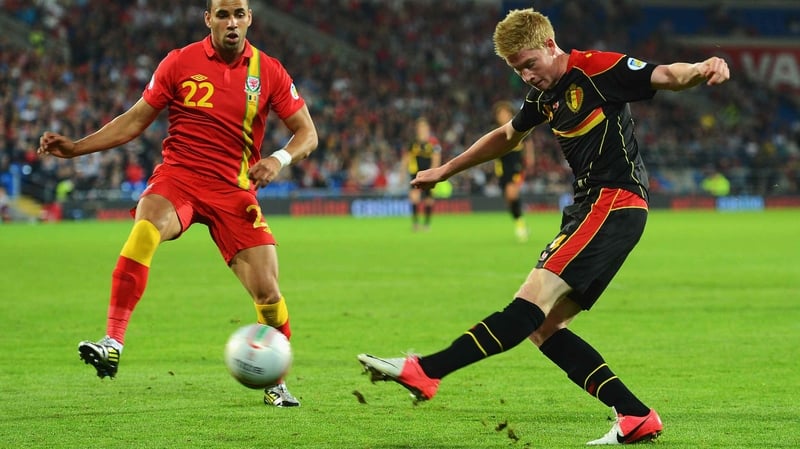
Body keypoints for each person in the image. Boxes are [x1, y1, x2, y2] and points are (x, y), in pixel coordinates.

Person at [358, 8, 729, 444]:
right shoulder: (543, 97)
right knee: (544, 326)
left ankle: (427, 371)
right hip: (592, 207)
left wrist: (702, 69)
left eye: (529, 64)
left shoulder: (597, 70)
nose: (526, 77)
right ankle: (634, 416)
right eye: (517, 70)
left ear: (550, 45)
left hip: (613, 201)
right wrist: (447, 170)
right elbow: (507, 135)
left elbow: (665, 74)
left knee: (530, 302)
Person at [38, 0, 318, 407]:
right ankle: (113, 341)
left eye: (239, 14)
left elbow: (307, 134)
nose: (232, 23)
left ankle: (277, 381)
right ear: (208, 20)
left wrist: (278, 159)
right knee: (145, 229)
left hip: (234, 190)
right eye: (222, 15)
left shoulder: (269, 71)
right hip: (179, 178)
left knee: (269, 295)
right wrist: (77, 148)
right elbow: (135, 119)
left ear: (249, 19)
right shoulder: (179, 62)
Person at [492, 100, 535, 242]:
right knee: (509, 200)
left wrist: (529, 157)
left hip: (516, 165)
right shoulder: (496, 131)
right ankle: (521, 223)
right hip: (502, 169)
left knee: (511, 194)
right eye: (500, 114)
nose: (503, 116)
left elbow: (528, 141)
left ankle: (521, 227)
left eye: (505, 113)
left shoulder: (517, 126)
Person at [402, 117, 441, 231]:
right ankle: (415, 224)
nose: (422, 129)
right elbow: (406, 158)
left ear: (428, 128)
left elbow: (436, 158)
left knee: (428, 199)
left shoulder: (433, 143)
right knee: (414, 197)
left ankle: (427, 224)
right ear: (417, 129)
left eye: (424, 127)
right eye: (420, 127)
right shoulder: (413, 143)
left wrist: (434, 172)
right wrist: (402, 172)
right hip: (415, 174)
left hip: (429, 174)